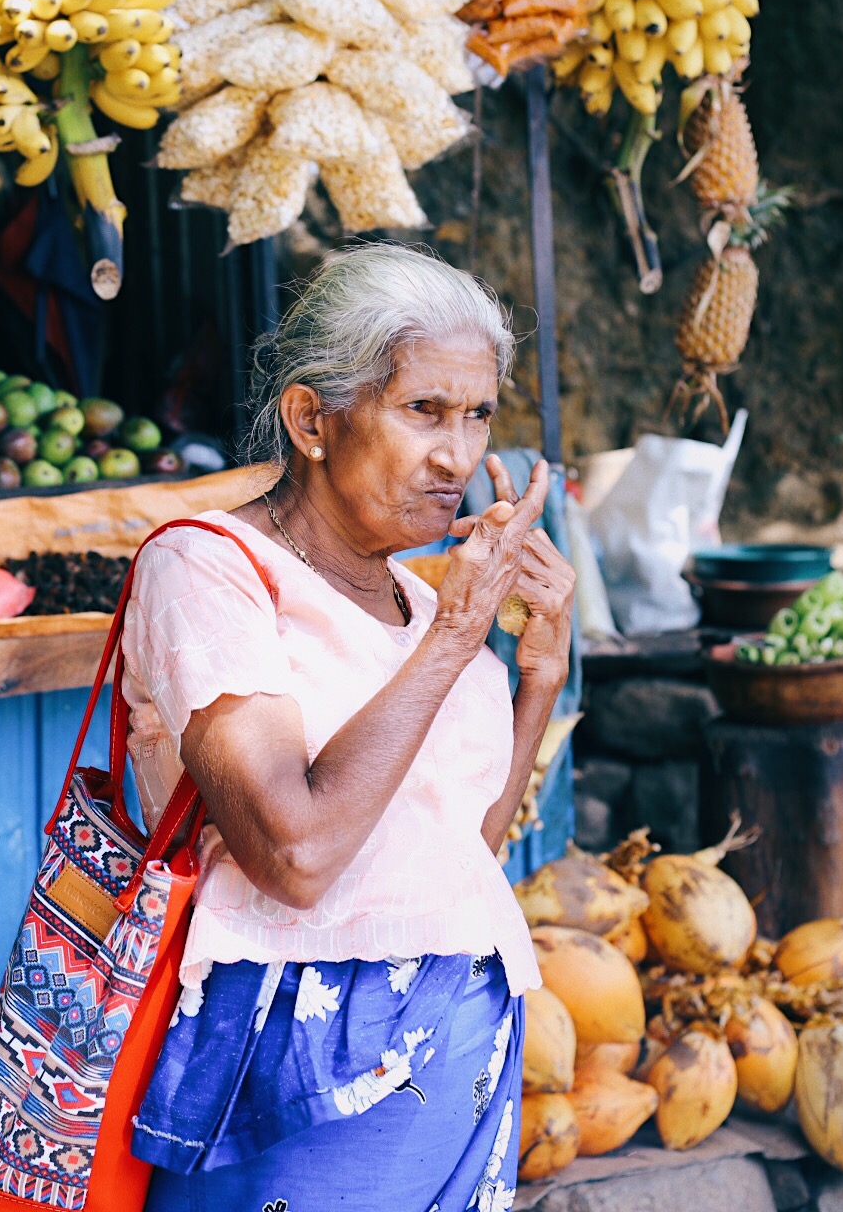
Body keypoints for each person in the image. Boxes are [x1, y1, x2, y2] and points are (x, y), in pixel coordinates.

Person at [117, 244, 575, 1210]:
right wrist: (459, 633)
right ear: (312, 420)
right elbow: (300, 853)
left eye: (479, 415)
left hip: (461, 1066)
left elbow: (461, 857)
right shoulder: (210, 572)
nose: (458, 455)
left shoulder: (417, 600)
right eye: (423, 411)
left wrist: (538, 674)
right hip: (302, 1079)